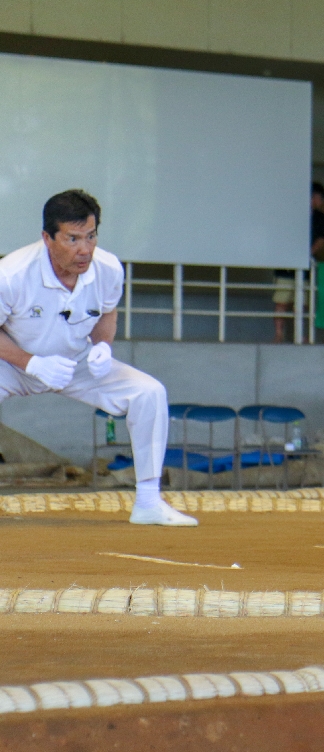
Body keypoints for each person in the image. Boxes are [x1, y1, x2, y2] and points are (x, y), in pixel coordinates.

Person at [0, 190, 196, 526]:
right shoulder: (11, 274)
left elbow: (106, 313)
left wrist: (103, 347)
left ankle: (149, 501)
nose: (84, 249)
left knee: (149, 393)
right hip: (15, 363)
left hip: (78, 363)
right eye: (73, 239)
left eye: (91, 236)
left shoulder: (107, 268)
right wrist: (33, 363)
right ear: (47, 238)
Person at [274, 182, 324, 343]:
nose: (316, 200)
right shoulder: (290, 214)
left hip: (306, 267)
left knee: (302, 304)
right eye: (314, 196)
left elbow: (322, 239)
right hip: (285, 265)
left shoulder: (320, 217)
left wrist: (306, 254)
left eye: (319, 197)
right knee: (281, 301)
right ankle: (278, 334)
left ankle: (301, 334)